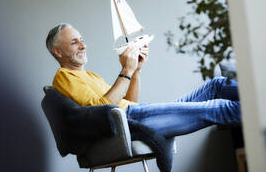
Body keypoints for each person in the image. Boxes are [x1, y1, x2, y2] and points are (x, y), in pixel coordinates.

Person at [46, 23, 241, 138]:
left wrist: (136, 71)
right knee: (223, 108)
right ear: (57, 51)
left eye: (81, 39)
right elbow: (101, 111)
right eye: (74, 42)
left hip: (136, 113)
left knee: (216, 85)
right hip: (133, 121)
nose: (83, 45)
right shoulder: (64, 76)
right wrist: (126, 70)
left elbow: (129, 103)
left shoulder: (89, 76)